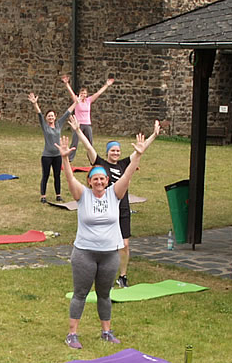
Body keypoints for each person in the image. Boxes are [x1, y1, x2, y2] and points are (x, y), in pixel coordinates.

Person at [59, 126, 157, 349]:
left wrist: (139, 154)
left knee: (105, 294)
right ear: (90, 181)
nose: (100, 182)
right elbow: (69, 179)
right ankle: (72, 334)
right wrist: (65, 159)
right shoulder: (82, 196)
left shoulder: (115, 194)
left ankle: (106, 331)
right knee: (80, 293)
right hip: (85, 253)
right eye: (96, 179)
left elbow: (128, 172)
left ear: (107, 181)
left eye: (103, 178)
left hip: (109, 255)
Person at [69, 120, 136, 287]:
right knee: (110, 245)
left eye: (118, 150)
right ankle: (103, 273)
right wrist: (78, 131)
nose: (116, 153)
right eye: (113, 150)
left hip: (123, 208)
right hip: (106, 209)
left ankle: (123, 276)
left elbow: (139, 153)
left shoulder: (123, 164)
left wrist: (155, 135)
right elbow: (89, 148)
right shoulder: (100, 164)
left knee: (125, 244)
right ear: (107, 152)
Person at [58, 74, 115, 161]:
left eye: (85, 93)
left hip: (87, 124)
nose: (83, 95)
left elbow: (98, 93)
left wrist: (107, 85)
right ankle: (70, 158)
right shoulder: (77, 100)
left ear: (87, 94)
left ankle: (92, 158)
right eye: (82, 93)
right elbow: (71, 93)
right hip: (78, 125)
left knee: (89, 143)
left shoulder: (89, 100)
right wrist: (66, 84)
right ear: (79, 94)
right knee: (75, 143)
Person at [28, 92, 69, 203]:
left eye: (52, 116)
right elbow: (39, 114)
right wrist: (35, 103)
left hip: (57, 155)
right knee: (45, 175)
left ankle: (58, 195)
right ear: (46, 118)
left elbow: (67, 113)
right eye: (49, 116)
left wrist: (76, 102)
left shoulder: (59, 124)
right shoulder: (45, 125)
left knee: (57, 175)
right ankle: (43, 196)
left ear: (55, 117)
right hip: (47, 156)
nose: (50, 117)